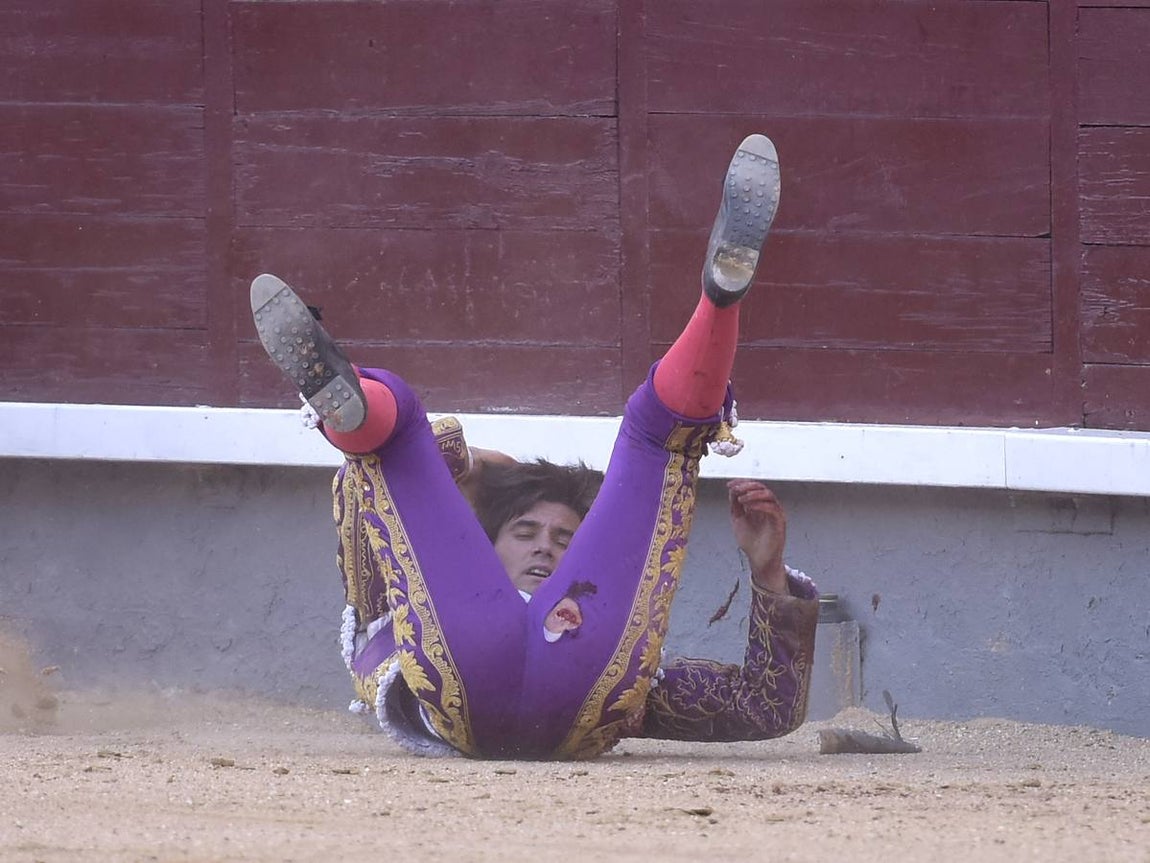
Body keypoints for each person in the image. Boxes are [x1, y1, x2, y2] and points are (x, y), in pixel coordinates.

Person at [251, 133, 819, 759]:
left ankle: (352, 399)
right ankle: (717, 303)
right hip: (581, 691)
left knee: (394, 437)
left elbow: (369, 482)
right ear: (478, 541)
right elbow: (764, 707)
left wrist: (767, 570)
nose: (547, 549)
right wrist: (482, 472)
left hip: (467, 668)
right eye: (525, 532)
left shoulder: (393, 609)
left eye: (568, 541)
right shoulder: (626, 675)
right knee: (661, 442)